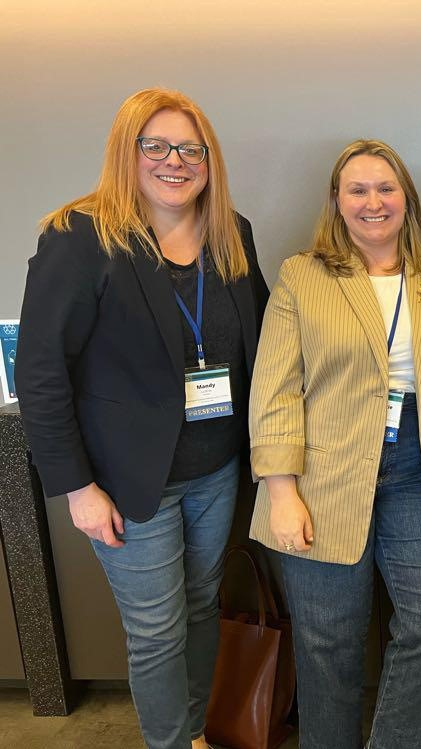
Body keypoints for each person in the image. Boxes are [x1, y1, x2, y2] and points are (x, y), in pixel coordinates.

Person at [16, 88, 268, 749]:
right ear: (126, 153)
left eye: (190, 147)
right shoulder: (80, 238)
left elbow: (265, 337)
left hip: (217, 468)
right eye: (154, 145)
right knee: (156, 631)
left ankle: (195, 733)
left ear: (208, 159)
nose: (173, 161)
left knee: (200, 609)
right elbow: (40, 373)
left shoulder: (230, 234)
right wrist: (78, 487)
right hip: (128, 484)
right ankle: (170, 742)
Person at [248, 139, 421, 749]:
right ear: (336, 201)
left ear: (406, 200)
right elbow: (275, 388)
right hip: (324, 472)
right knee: (326, 641)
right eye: (357, 189)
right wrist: (281, 492)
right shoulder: (303, 276)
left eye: (386, 188)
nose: (372, 202)